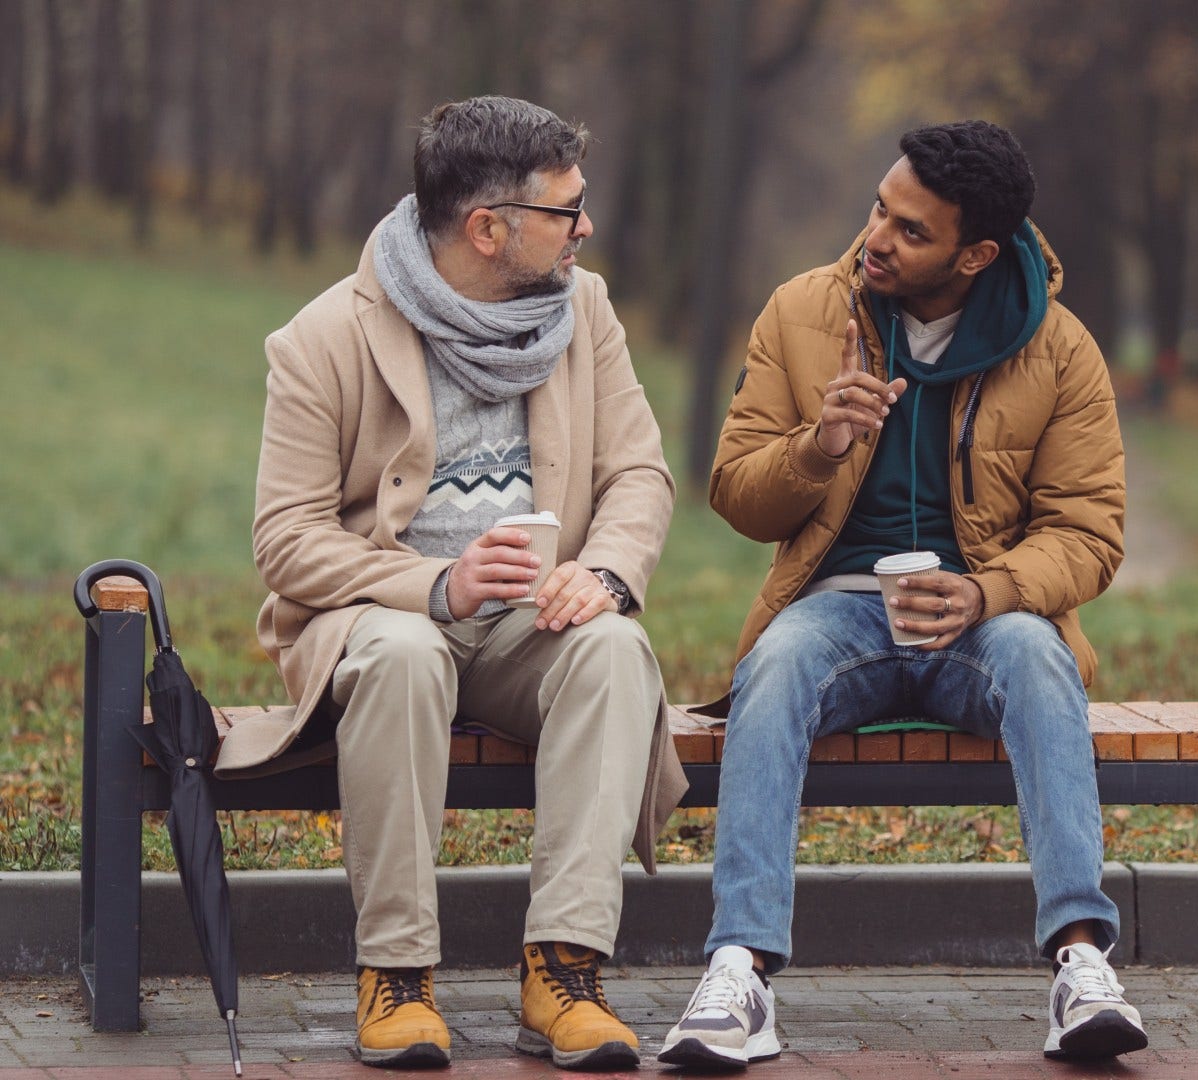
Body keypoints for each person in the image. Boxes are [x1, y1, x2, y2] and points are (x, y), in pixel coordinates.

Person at [660, 120, 1144, 1068]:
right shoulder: (804, 312)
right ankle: (738, 973)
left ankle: (1082, 969)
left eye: (911, 231)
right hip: (836, 611)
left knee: (1043, 659)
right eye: (879, 209)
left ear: (976, 255)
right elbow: (734, 495)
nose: (877, 237)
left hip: (984, 621)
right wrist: (818, 446)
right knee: (776, 663)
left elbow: (1090, 532)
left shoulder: (1059, 348)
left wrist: (987, 592)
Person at [242, 95, 686, 1071]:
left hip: (534, 625)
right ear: (490, 229)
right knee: (401, 656)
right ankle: (396, 977)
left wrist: (604, 573)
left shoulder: (588, 311)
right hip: (387, 620)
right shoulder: (324, 340)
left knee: (614, 649)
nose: (588, 228)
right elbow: (287, 540)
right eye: (569, 212)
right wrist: (439, 584)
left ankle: (563, 970)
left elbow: (639, 474)